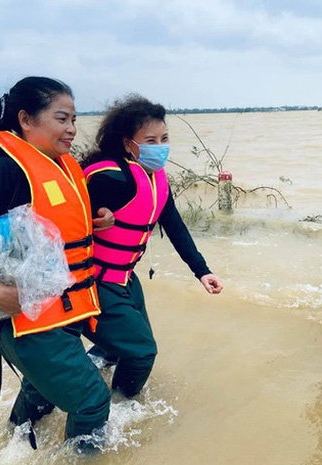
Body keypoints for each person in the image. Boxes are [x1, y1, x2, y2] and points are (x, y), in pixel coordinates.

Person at [0, 77, 112, 452]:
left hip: (59, 313)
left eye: (74, 120)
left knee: (41, 390)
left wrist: (97, 216)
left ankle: (11, 447)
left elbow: (56, 223)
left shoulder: (60, 165)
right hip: (27, 322)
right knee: (93, 401)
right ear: (26, 120)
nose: (72, 129)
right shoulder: (4, 170)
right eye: (62, 119)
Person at [80, 94, 223, 399]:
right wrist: (94, 217)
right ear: (127, 142)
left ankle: (101, 361)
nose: (160, 146)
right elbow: (64, 217)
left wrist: (202, 271)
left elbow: (174, 226)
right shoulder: (109, 177)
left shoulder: (155, 177)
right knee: (143, 352)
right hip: (97, 281)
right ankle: (120, 405)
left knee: (126, 345)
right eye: (150, 139)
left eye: (164, 137)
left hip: (126, 280)